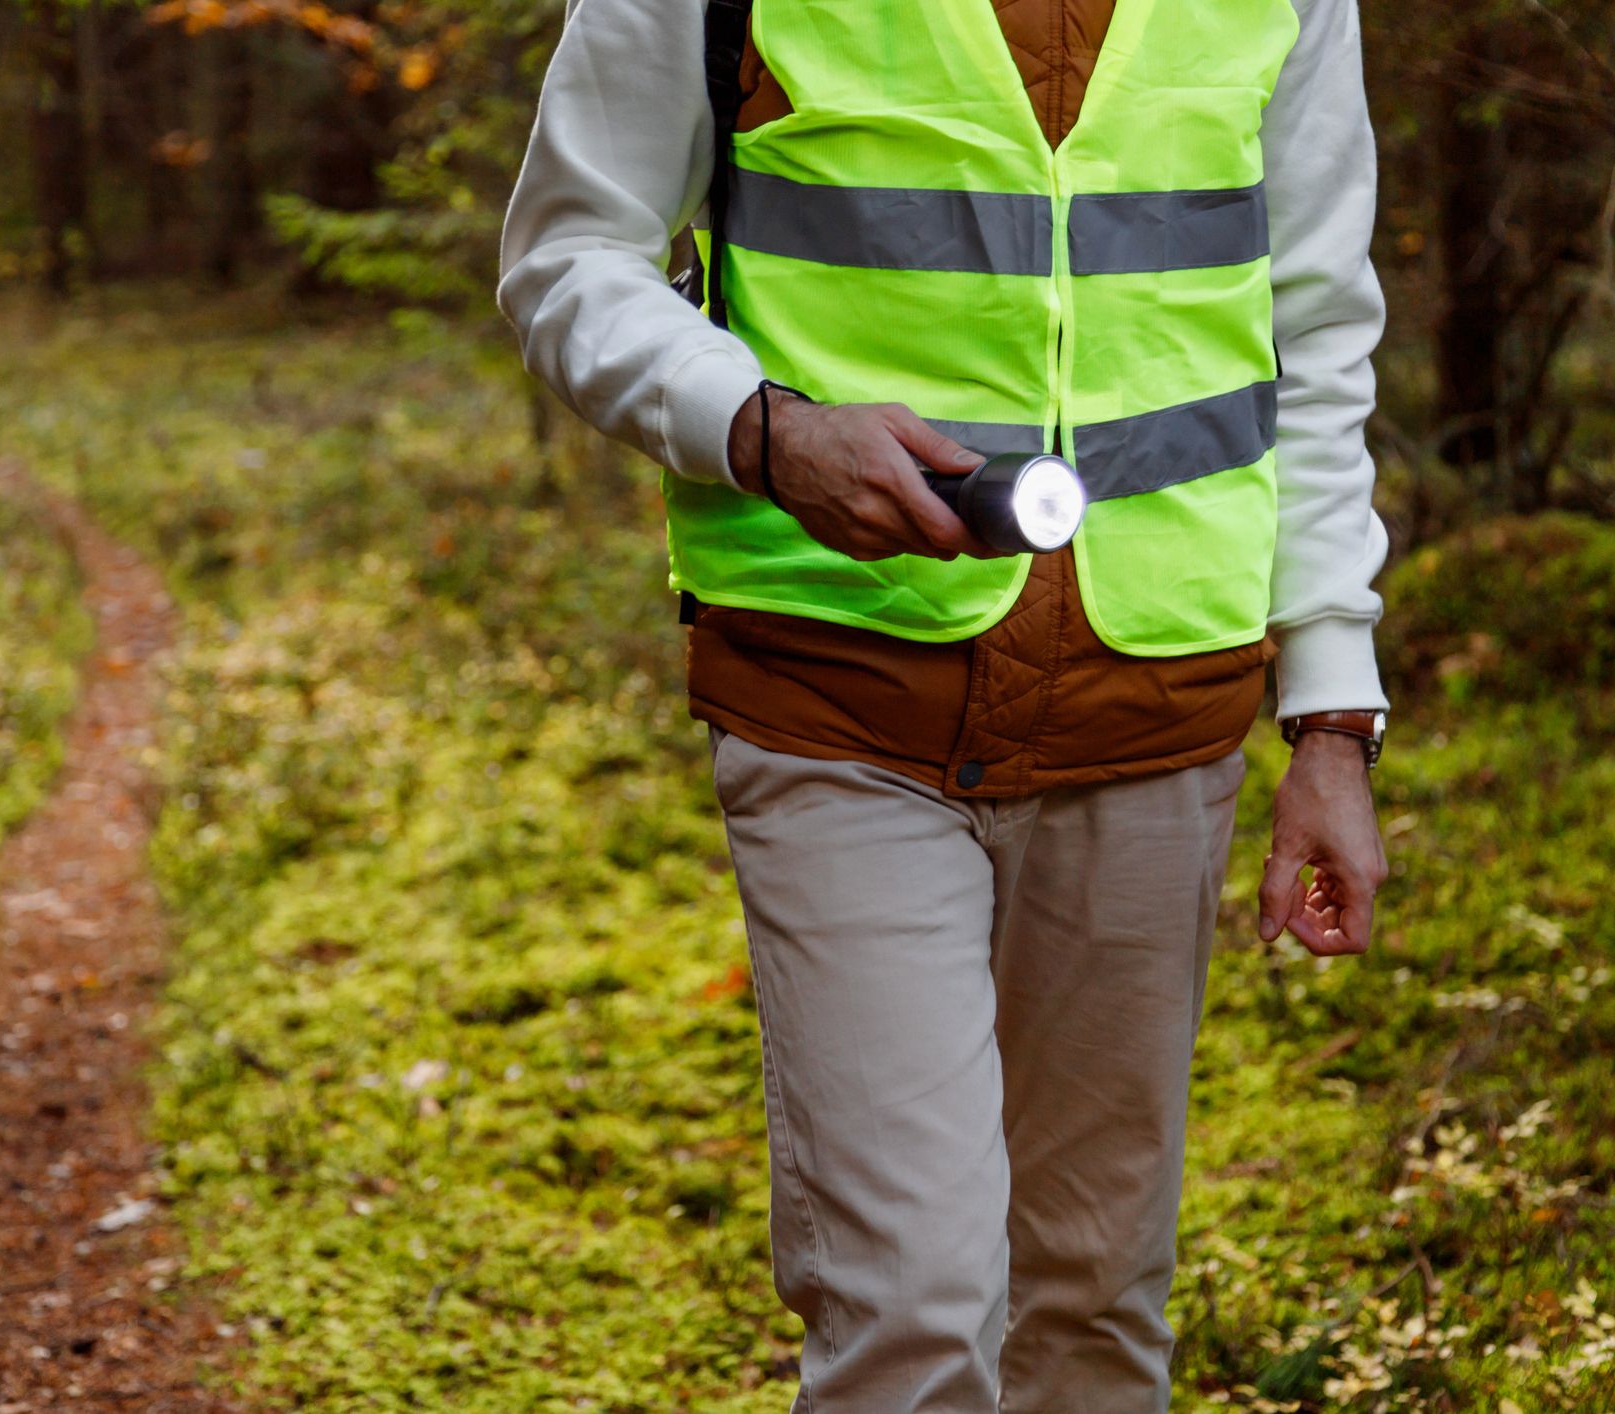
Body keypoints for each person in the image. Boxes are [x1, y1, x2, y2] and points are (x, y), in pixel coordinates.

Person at [500, 0, 1391, 1407]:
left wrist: (1331, 714)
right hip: (839, 704)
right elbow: (565, 258)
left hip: (1154, 707)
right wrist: (763, 429)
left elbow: (1320, 333)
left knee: (1092, 1302)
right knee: (908, 1309)